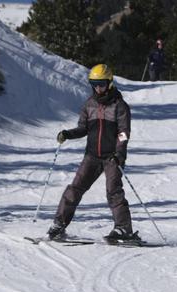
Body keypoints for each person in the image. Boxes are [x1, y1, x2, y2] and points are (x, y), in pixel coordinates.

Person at [47, 64, 138, 243]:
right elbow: (83, 128)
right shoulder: (89, 104)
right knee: (74, 189)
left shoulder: (119, 106)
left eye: (102, 84)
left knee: (114, 192)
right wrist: (68, 134)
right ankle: (59, 225)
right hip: (92, 156)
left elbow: (123, 133)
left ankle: (123, 228)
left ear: (110, 83)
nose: (98, 88)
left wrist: (119, 154)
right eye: (94, 84)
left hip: (112, 156)